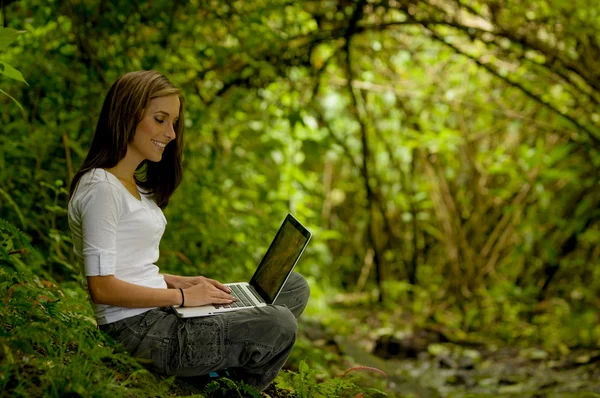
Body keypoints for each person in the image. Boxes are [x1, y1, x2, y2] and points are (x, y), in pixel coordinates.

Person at [67, 70, 310, 391]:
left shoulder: (134, 187)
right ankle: (234, 388)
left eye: (174, 122)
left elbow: (130, 267)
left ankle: (216, 370)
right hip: (136, 330)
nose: (170, 133)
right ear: (126, 115)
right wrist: (183, 296)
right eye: (160, 119)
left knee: (293, 287)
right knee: (278, 323)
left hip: (159, 310)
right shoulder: (101, 188)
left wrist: (181, 282)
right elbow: (102, 288)